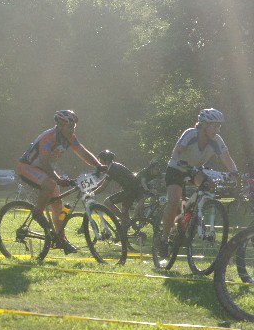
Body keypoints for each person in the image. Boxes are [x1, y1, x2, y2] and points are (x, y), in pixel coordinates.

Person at [16, 110, 107, 254]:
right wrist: (58, 179)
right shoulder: (49, 138)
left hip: (42, 168)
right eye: (70, 127)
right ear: (60, 126)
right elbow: (45, 162)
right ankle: (37, 212)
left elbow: (83, 153)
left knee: (58, 205)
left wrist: (98, 165)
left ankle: (61, 239)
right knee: (51, 184)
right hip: (27, 167)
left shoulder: (69, 137)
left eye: (74, 127)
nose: (72, 130)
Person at [158, 108, 238, 257]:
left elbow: (226, 158)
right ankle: (164, 238)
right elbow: (176, 151)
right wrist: (178, 160)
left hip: (194, 170)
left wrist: (234, 173)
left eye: (219, 126)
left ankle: (193, 216)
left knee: (209, 186)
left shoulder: (217, 140)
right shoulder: (190, 134)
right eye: (215, 126)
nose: (217, 129)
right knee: (174, 200)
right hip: (176, 169)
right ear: (204, 124)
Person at [94, 150, 143, 230]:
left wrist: (91, 194)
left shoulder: (112, 169)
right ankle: (133, 229)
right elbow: (101, 182)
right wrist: (92, 188)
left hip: (130, 190)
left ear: (105, 160)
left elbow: (103, 187)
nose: (99, 162)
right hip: (132, 189)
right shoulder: (114, 166)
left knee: (107, 202)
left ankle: (126, 222)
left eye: (100, 160)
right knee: (124, 212)